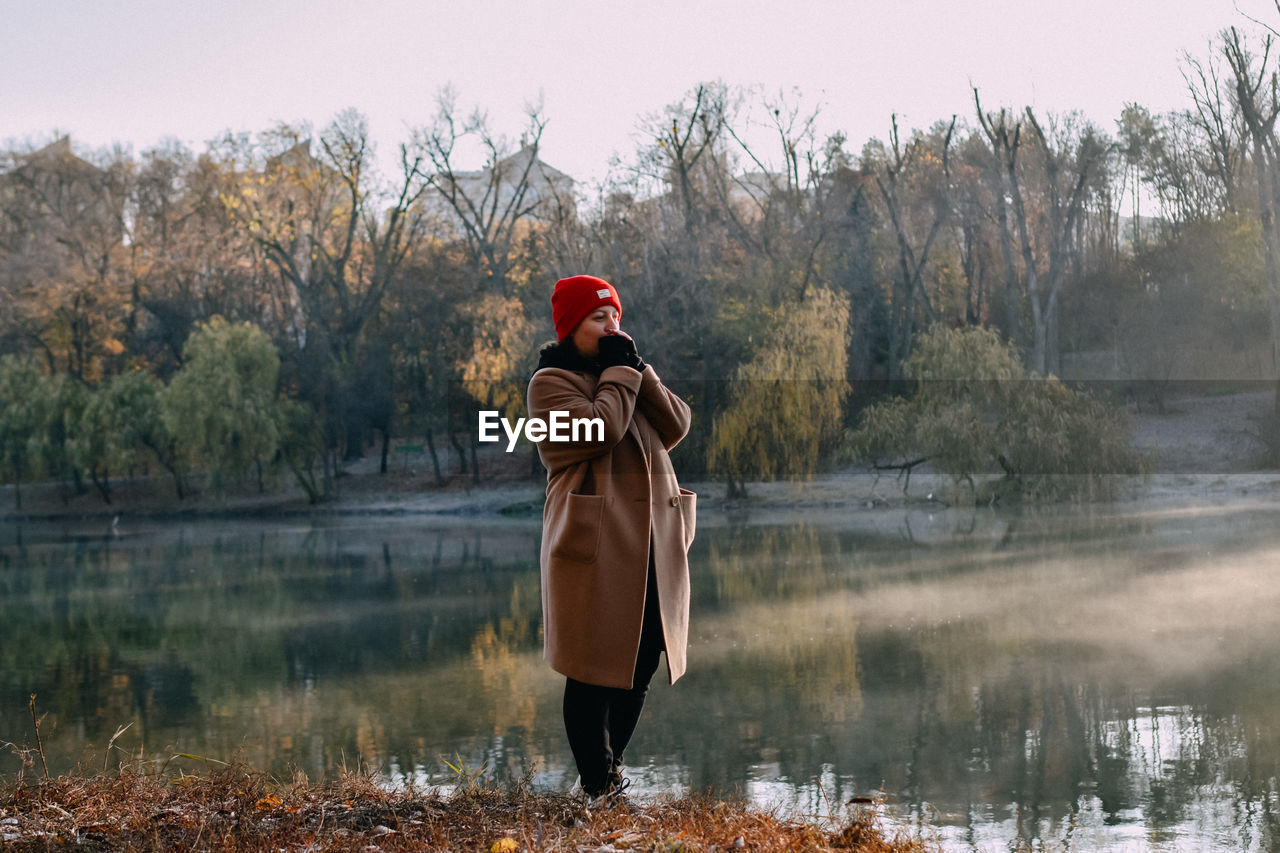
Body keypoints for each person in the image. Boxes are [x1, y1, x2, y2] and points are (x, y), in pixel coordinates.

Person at [526, 274, 696, 805]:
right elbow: (601, 429)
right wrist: (623, 373)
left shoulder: (623, 374)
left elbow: (676, 424)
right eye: (599, 319)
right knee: (590, 667)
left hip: (650, 542)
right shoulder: (549, 384)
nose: (612, 326)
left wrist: (641, 372)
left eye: (616, 316)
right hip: (595, 546)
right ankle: (600, 788)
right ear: (571, 328)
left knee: (642, 658)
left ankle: (605, 773)